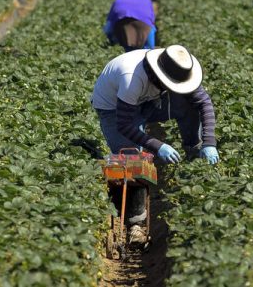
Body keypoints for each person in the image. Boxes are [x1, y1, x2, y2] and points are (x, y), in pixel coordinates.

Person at [91, 45, 219, 241]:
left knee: (188, 104)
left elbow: (204, 103)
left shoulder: (178, 67)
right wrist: (158, 145)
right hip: (114, 109)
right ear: (159, 77)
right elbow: (125, 124)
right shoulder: (131, 78)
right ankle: (135, 224)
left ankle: (194, 161)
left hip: (150, 100)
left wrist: (209, 142)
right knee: (132, 160)